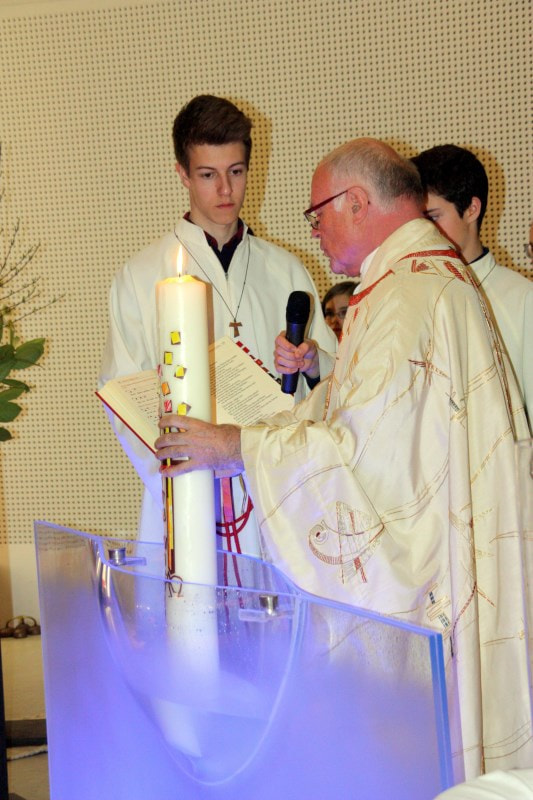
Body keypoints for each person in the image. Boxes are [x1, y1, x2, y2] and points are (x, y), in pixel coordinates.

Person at [155, 138, 532, 783]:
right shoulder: (421, 279)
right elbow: (356, 414)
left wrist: (237, 446)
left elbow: (360, 460)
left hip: (426, 592)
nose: (315, 230)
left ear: (356, 203)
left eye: (317, 213)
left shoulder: (406, 297)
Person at [99, 94, 335, 556]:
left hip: (275, 492)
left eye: (237, 171)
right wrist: (187, 476)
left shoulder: (287, 270)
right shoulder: (141, 275)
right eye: (208, 175)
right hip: (189, 493)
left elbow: (333, 384)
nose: (226, 190)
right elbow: (125, 398)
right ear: (182, 173)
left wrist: (313, 362)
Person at [411, 144, 532, 432]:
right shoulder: (412, 295)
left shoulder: (522, 299)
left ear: (471, 209)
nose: (424, 232)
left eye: (433, 218)